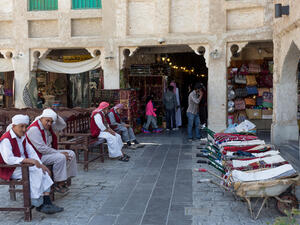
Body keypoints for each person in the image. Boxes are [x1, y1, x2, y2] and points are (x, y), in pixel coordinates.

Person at [0, 115, 63, 214]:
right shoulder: (6, 139)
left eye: (26, 126)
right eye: (21, 126)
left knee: (43, 171)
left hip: (22, 165)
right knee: (35, 173)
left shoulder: (23, 137)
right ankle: (37, 202)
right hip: (9, 168)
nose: (24, 129)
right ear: (13, 126)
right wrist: (27, 160)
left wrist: (41, 164)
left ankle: (46, 202)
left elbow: (31, 152)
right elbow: (8, 159)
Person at [26, 109, 77, 194]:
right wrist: (58, 153)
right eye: (47, 120)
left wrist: (55, 115)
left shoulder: (48, 126)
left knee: (71, 153)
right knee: (60, 157)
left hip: (48, 153)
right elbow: (42, 149)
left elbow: (62, 125)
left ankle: (65, 179)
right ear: (41, 118)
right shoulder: (34, 129)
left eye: (51, 121)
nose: (49, 123)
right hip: (38, 156)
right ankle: (58, 182)